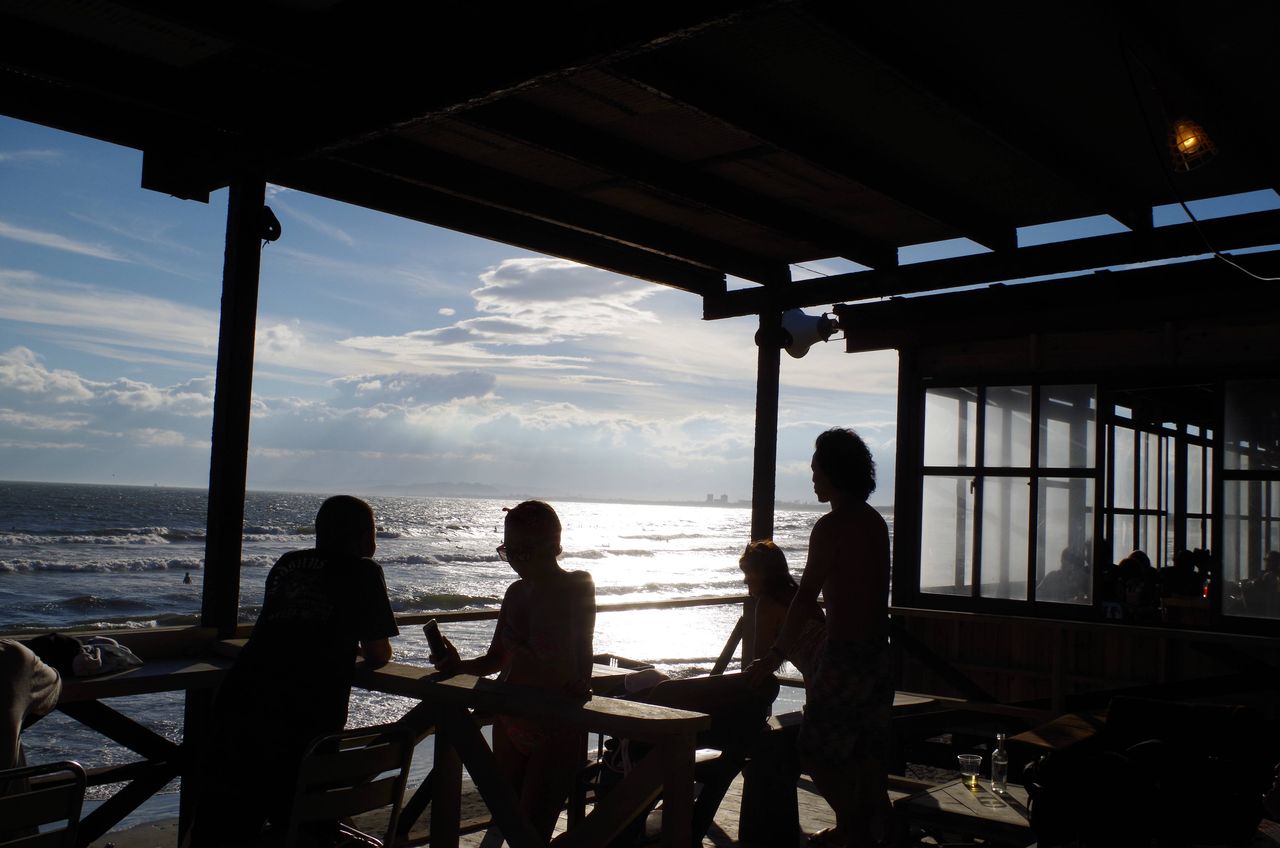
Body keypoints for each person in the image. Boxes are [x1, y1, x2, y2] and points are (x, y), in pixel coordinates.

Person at [196, 495, 398, 846]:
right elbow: (378, 652)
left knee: (226, 828)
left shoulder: (288, 563)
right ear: (366, 537)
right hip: (304, 720)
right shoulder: (364, 572)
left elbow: (289, 626)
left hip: (239, 704)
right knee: (306, 829)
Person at [747, 428, 892, 848]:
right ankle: (872, 832)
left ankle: (853, 828)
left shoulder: (831, 527)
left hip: (844, 656)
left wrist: (773, 656)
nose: (812, 478)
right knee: (866, 755)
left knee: (815, 750)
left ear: (834, 472)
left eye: (816, 470)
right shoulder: (875, 522)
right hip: (878, 656)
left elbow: (806, 596)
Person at [432, 500, 595, 843]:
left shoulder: (577, 585)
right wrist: (457, 666)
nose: (516, 560)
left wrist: (582, 681)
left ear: (553, 546)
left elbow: (581, 654)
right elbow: (495, 660)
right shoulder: (515, 592)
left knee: (533, 830)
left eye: (525, 551)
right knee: (507, 819)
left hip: (554, 721)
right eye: (509, 551)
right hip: (508, 716)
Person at [739, 539, 825, 685]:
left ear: (763, 573)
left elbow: (760, 661)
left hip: (828, 673)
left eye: (748, 572)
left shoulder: (768, 603)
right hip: (844, 661)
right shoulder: (799, 597)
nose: (745, 581)